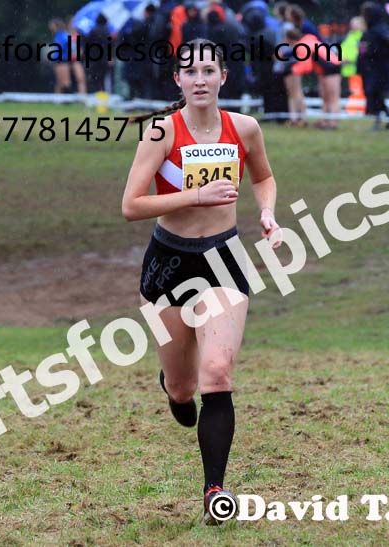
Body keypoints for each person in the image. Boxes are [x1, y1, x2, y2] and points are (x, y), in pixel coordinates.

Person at [122, 38, 281, 526]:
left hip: (224, 258)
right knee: (184, 387)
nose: (199, 79)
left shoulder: (245, 128)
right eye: (189, 71)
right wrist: (195, 195)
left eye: (208, 70)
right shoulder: (161, 132)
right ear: (178, 79)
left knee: (217, 373)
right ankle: (173, 388)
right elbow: (131, 205)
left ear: (223, 77)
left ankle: (215, 491)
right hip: (168, 263)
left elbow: (263, 178)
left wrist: (268, 214)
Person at [357, 2, 389, 131]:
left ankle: (380, 120)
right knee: (375, 95)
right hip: (371, 68)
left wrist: (373, 52)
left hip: (378, 68)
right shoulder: (373, 31)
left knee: (376, 95)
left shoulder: (380, 31)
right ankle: (387, 119)